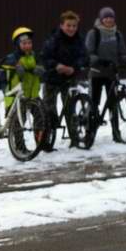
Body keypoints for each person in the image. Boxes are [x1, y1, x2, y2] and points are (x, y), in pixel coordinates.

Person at [40, 11, 88, 150]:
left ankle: (74, 139)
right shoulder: (53, 39)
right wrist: (57, 66)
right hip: (52, 78)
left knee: (70, 109)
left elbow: (84, 57)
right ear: (61, 25)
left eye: (74, 26)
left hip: (69, 79)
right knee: (49, 110)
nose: (71, 28)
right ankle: (46, 141)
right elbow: (44, 57)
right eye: (68, 25)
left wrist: (74, 67)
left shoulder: (79, 39)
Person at [84, 6, 126, 143]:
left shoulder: (117, 33)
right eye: (106, 17)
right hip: (96, 73)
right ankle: (89, 132)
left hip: (112, 74)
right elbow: (88, 52)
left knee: (113, 103)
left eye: (111, 17)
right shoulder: (94, 33)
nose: (109, 20)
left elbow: (122, 52)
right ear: (101, 19)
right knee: (93, 103)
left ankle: (116, 133)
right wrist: (98, 61)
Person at [0, 27, 44, 110]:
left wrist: (40, 69)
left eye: (29, 43)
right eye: (24, 43)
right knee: (16, 121)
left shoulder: (34, 56)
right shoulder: (12, 57)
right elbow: (3, 64)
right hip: (16, 96)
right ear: (17, 45)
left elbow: (41, 64)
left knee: (43, 119)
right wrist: (15, 66)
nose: (27, 46)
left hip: (33, 95)